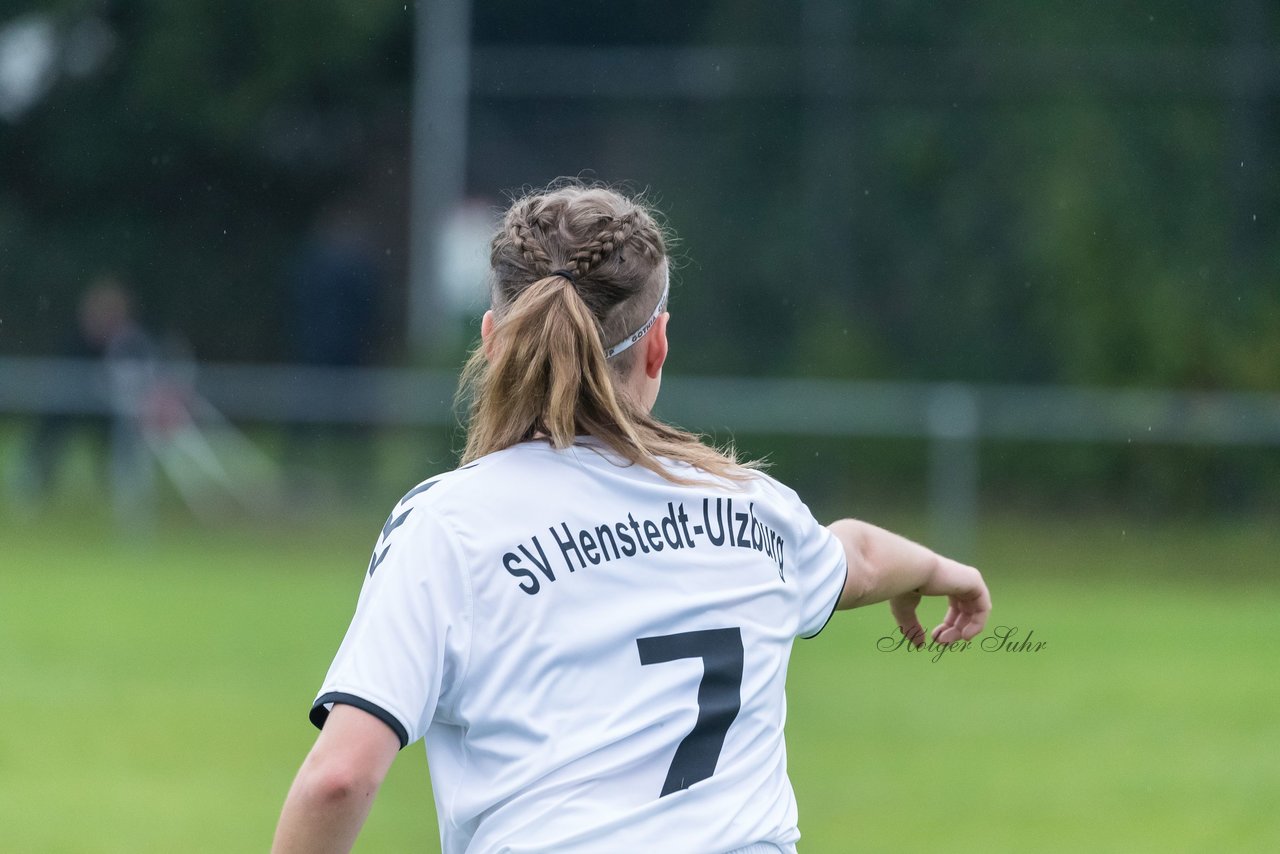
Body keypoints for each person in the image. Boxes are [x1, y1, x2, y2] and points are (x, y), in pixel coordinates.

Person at [272, 183, 991, 854]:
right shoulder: (753, 508)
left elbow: (340, 778)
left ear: (492, 341)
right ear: (658, 343)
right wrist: (937, 569)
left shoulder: (448, 525)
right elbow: (855, 559)